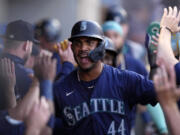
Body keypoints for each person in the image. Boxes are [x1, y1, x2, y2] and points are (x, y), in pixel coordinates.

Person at [53, 20, 158, 135]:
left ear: (101, 46)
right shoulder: (62, 88)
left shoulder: (124, 79)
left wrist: (157, 64)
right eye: (78, 43)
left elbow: (158, 92)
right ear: (72, 48)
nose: (83, 48)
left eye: (89, 42)